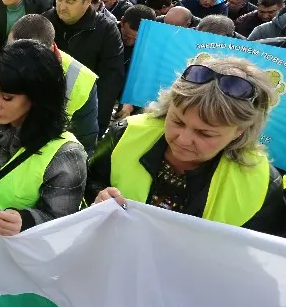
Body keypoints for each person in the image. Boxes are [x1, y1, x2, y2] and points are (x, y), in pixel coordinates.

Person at [87, 56, 286, 236]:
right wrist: (98, 197)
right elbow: (90, 182)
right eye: (177, 121)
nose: (182, 140)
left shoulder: (263, 183)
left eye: (205, 133)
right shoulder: (125, 133)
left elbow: (260, 255)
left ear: (240, 131)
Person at [0, 40, 87, 235]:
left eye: (7, 97)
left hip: (23, 251)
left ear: (37, 97)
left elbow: (61, 224)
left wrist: (27, 221)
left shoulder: (66, 156)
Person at [0, 14, 99, 154]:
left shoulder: (80, 80)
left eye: (7, 97)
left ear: (50, 51)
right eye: (10, 50)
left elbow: (85, 144)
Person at [43, 0, 124, 136]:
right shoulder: (44, 23)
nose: (62, 6)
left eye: (70, 1)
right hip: (45, 113)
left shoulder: (106, 30)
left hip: (83, 117)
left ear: (87, 1)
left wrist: (96, 126)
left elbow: (110, 81)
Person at [115, 4, 157, 120]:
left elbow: (145, 75)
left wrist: (131, 101)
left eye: (137, 39)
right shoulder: (107, 33)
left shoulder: (153, 45)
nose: (131, 42)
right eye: (127, 36)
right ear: (122, 22)